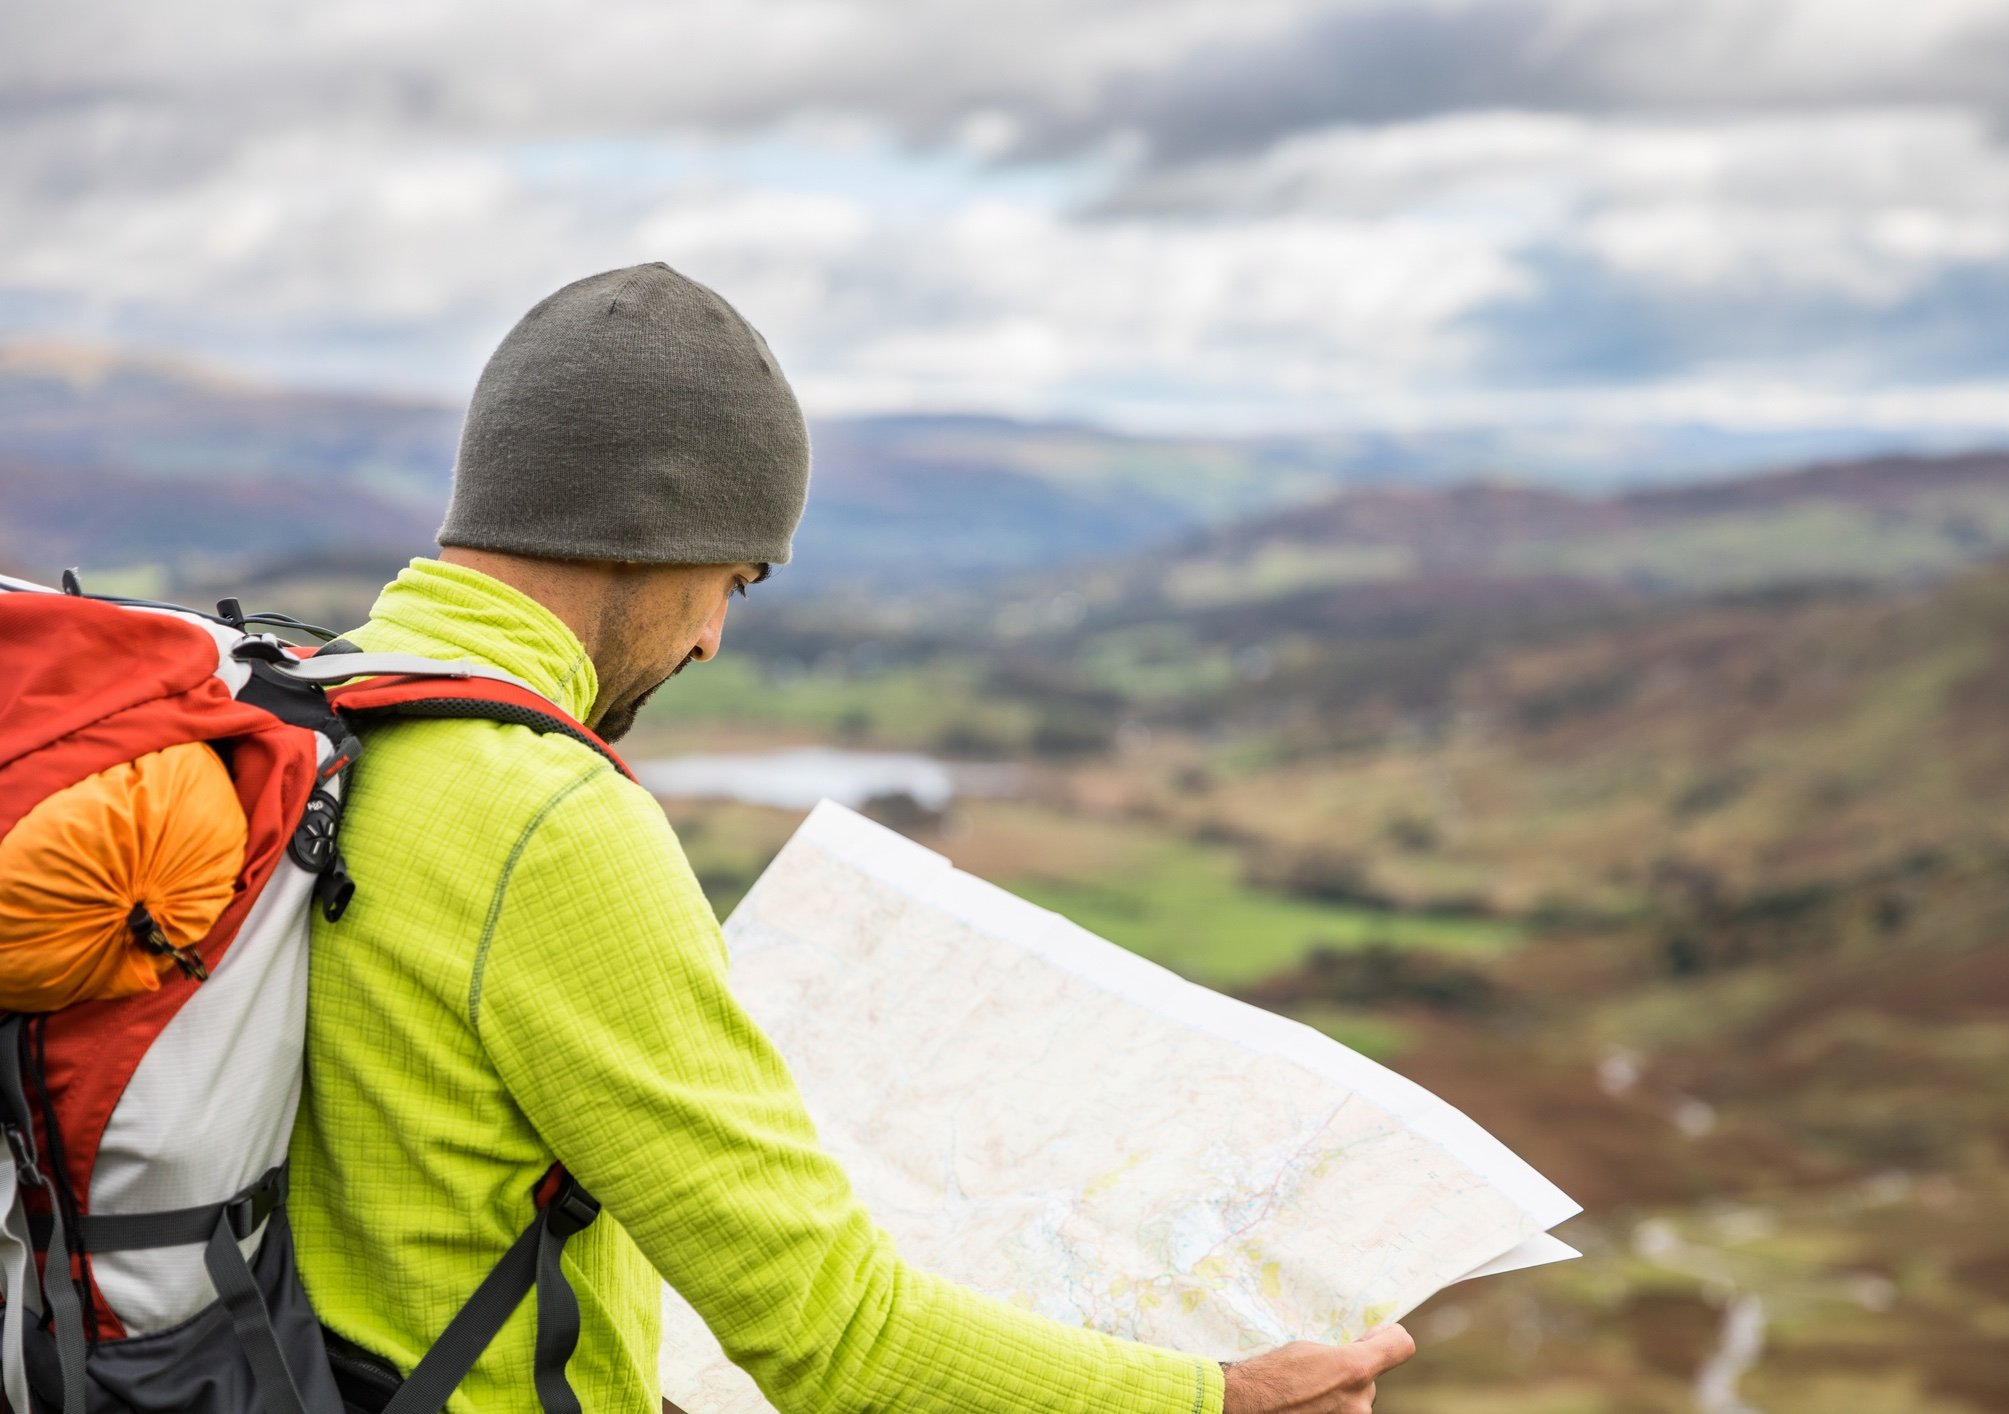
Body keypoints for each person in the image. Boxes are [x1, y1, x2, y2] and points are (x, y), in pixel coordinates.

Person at [287, 261, 1418, 1414]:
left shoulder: (313, 718)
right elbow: (836, 1340)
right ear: (644, 527)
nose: (713, 637)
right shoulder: (551, 821)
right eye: (733, 577)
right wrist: (1218, 1399)